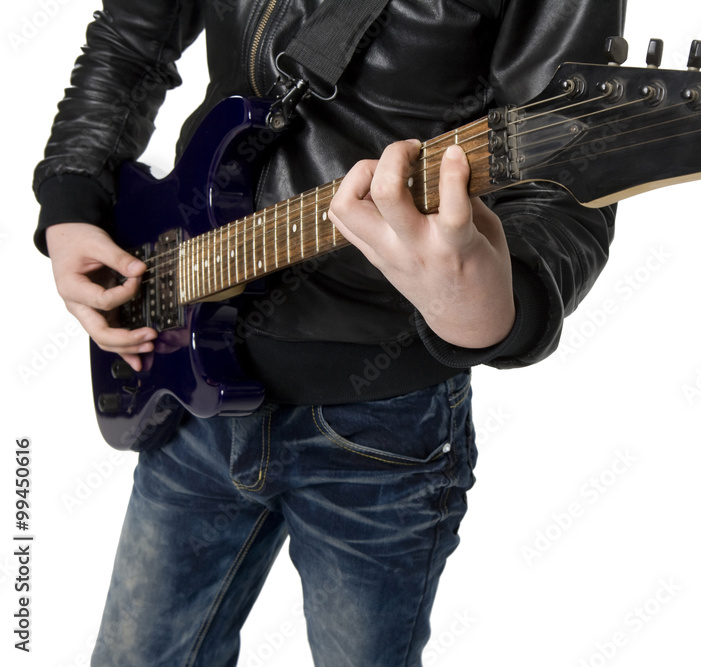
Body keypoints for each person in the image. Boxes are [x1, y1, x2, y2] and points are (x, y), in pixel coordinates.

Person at [33, 1, 625, 665]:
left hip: (381, 428)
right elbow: (132, 38)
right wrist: (72, 195)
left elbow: (569, 175)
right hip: (187, 389)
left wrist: (495, 305)